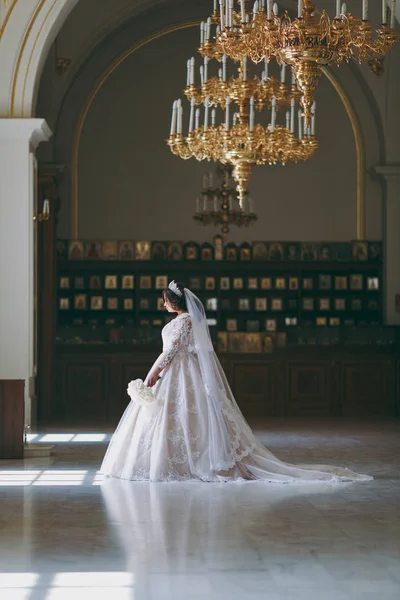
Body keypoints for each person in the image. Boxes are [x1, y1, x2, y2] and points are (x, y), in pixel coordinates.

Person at [100, 281, 372, 483]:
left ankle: (187, 462)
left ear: (174, 302)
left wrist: (154, 372)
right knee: (175, 417)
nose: (163, 305)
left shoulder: (183, 323)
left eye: (165, 301)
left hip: (179, 372)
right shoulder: (180, 321)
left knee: (185, 415)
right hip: (177, 373)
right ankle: (173, 459)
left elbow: (171, 351)